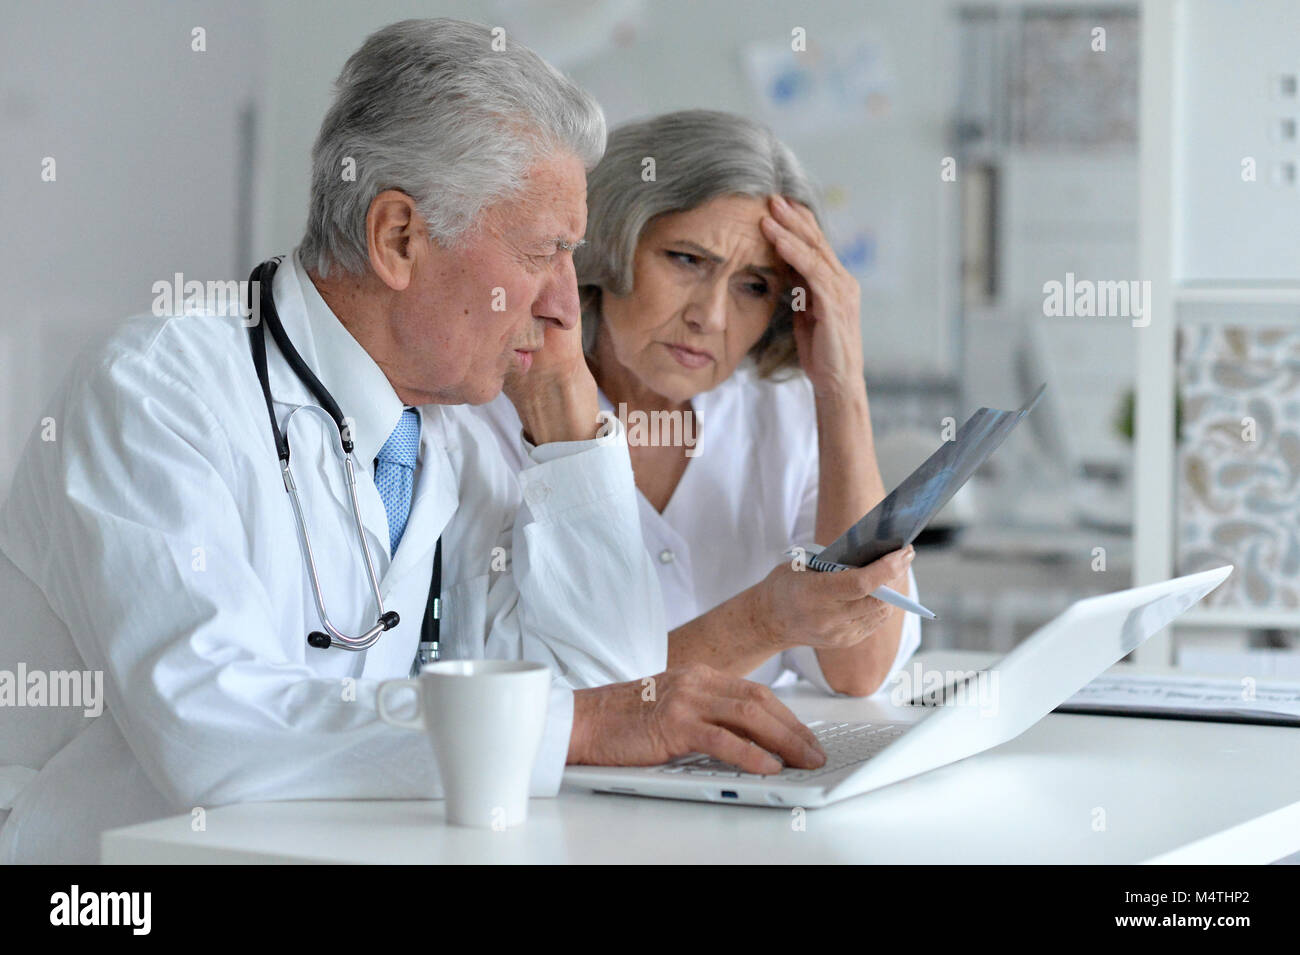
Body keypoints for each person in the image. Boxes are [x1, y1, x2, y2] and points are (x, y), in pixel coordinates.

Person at [0, 21, 828, 864]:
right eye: (545, 253)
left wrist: (572, 420)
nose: (563, 301)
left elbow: (601, 684)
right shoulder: (159, 390)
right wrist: (583, 721)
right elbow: (212, 730)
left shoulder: (449, 430)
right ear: (399, 238)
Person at [476, 110, 921, 697]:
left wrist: (842, 390)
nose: (709, 317)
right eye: (687, 260)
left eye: (754, 286)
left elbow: (859, 670)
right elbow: (544, 702)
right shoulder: (485, 412)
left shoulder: (782, 411)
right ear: (610, 242)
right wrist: (765, 622)